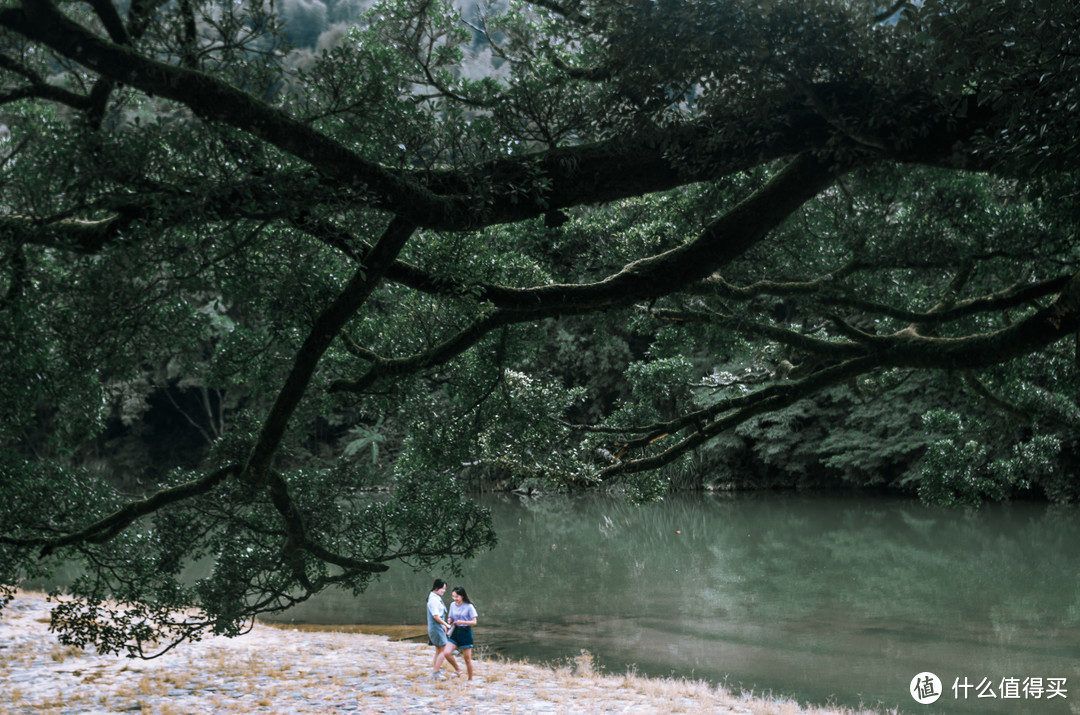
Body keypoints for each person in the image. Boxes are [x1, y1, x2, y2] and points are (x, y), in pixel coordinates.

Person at [442, 586, 478, 681]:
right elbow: (450, 618)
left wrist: (463, 622)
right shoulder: (452, 605)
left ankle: (470, 680)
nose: (455, 599)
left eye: (457, 596)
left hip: (465, 632)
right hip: (455, 631)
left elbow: (474, 622)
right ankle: (458, 669)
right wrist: (449, 620)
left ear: (462, 596)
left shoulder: (469, 606)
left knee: (467, 659)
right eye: (453, 596)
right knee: (446, 653)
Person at [426, 579, 461, 678]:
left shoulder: (435, 598)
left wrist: (442, 626)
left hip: (437, 628)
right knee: (444, 650)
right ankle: (436, 673)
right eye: (443, 588)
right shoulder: (433, 600)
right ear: (437, 588)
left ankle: (436, 670)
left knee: (438, 650)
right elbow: (435, 616)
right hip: (435, 629)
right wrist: (446, 625)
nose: (444, 591)